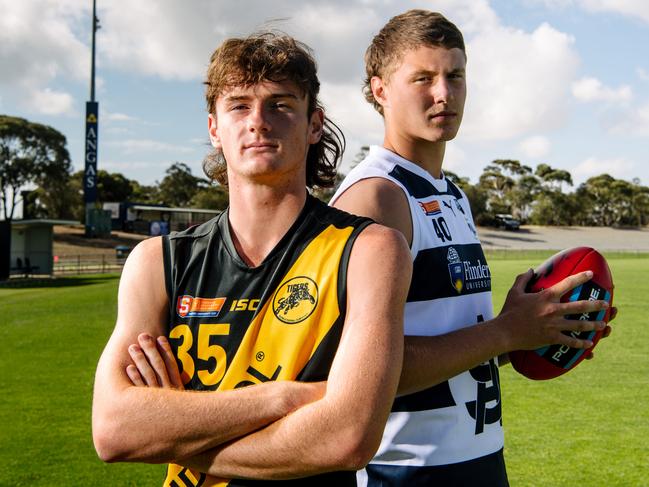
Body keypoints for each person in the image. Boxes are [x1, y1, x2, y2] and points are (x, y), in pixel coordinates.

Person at [92, 32, 412, 486]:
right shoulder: (156, 262)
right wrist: (279, 399)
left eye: (280, 104)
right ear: (214, 129)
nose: (258, 121)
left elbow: (348, 438)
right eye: (239, 105)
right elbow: (113, 431)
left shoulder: (368, 250)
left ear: (314, 124)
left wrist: (171, 432)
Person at [330, 10, 611, 486]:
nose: (444, 93)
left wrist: (537, 331)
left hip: (477, 459)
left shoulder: (451, 194)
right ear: (380, 91)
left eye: (454, 75)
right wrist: (503, 333)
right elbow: (357, 374)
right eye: (423, 78)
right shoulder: (376, 196)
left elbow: (455, 341)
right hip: (401, 469)